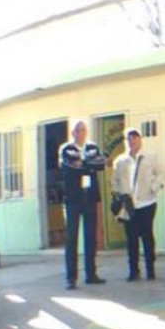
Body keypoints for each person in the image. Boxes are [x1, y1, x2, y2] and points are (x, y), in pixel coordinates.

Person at [111, 129, 165, 281]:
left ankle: (150, 269)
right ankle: (133, 270)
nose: (132, 141)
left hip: (147, 203)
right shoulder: (121, 160)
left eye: (135, 138)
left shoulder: (150, 157)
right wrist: (118, 195)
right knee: (131, 239)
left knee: (147, 236)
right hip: (129, 206)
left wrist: (153, 187)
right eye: (129, 139)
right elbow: (114, 180)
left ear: (140, 140)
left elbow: (161, 174)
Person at [59, 120, 107, 289]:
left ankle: (91, 274)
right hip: (73, 199)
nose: (80, 133)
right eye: (77, 130)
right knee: (71, 239)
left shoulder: (92, 147)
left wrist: (83, 164)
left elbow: (101, 164)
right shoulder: (66, 149)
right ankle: (70, 278)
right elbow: (70, 167)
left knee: (90, 238)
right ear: (73, 133)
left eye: (83, 130)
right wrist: (88, 165)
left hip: (90, 198)